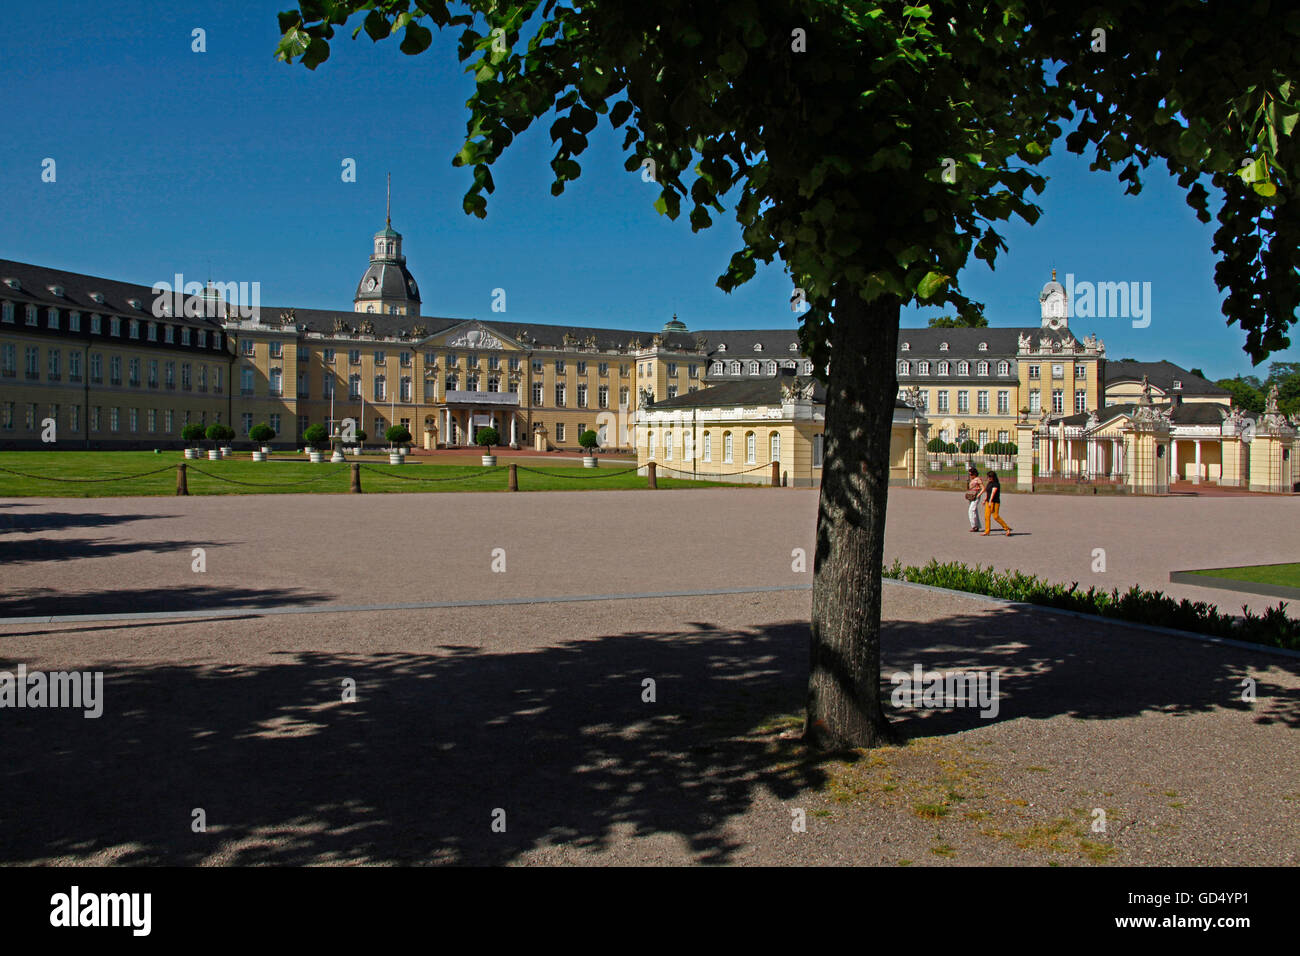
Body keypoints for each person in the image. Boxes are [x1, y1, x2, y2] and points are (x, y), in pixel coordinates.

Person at [982, 470, 1012, 536]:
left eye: (990, 477)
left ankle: (1007, 528)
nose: (989, 478)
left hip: (995, 502)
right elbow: (988, 492)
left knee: (995, 517)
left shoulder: (996, 484)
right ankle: (987, 531)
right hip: (988, 502)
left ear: (994, 477)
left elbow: (993, 493)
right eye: (988, 477)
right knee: (986, 516)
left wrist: (990, 501)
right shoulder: (989, 483)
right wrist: (985, 499)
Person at [964, 467, 983, 532]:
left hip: (976, 495)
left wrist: (979, 495)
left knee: (971, 510)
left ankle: (974, 526)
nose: (970, 476)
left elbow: (983, 488)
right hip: (971, 496)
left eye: (971, 474)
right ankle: (976, 526)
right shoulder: (971, 480)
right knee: (974, 511)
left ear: (975, 474)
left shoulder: (978, 479)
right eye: (969, 474)